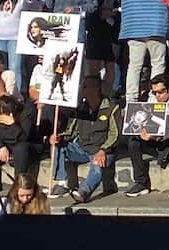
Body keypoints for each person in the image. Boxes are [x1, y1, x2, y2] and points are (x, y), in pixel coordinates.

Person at [49, 75, 119, 204]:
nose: (82, 89)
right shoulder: (80, 108)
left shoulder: (111, 108)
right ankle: (62, 183)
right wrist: (59, 137)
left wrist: (103, 150)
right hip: (82, 148)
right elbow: (71, 130)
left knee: (97, 167)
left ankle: (84, 192)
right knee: (58, 145)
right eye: (82, 86)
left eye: (86, 86)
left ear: (96, 88)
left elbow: (115, 134)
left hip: (102, 150)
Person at [124, 73, 169, 197]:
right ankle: (141, 182)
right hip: (156, 142)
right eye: (154, 92)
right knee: (133, 141)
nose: (157, 95)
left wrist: (160, 135)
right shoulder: (152, 99)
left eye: (161, 92)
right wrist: (145, 133)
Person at [119, 0, 169, 103]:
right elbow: (165, 4)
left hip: (134, 29)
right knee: (157, 64)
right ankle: (155, 97)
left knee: (134, 66)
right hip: (156, 27)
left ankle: (131, 98)